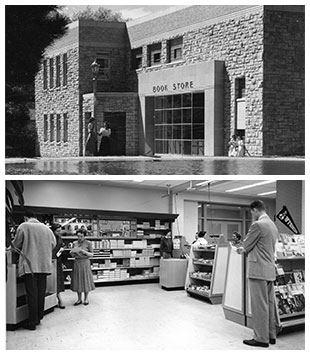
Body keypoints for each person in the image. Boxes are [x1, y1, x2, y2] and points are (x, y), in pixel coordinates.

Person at [236, 200, 280, 348]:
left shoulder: (258, 225)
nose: (252, 215)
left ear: (255, 210)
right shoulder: (273, 225)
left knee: (259, 305)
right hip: (269, 269)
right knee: (269, 303)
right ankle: (271, 335)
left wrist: (240, 249)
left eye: (251, 212)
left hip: (258, 270)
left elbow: (246, 245)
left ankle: (261, 338)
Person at [12, 210, 56, 330]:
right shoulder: (47, 229)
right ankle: (39, 317)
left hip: (30, 265)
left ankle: (32, 322)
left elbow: (15, 245)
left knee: (31, 294)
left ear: (26, 217)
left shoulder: (24, 226)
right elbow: (53, 244)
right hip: (43, 265)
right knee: (40, 292)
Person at [70, 229, 95, 305]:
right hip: (77, 262)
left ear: (84, 236)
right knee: (77, 280)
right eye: (78, 236)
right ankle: (79, 299)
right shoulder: (75, 243)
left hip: (85, 262)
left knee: (85, 279)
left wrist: (84, 252)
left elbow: (92, 254)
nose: (79, 238)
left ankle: (86, 298)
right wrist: (72, 253)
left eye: (81, 236)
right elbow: (73, 254)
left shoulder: (88, 243)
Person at [51, 223, 66, 309]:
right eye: (57, 231)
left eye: (60, 231)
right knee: (53, 281)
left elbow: (61, 247)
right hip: (51, 261)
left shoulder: (59, 238)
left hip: (58, 261)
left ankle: (58, 299)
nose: (59, 232)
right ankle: (58, 299)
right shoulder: (49, 238)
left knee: (58, 280)